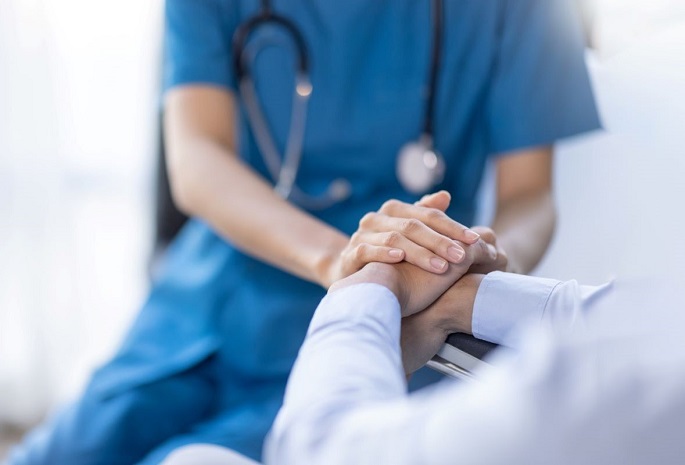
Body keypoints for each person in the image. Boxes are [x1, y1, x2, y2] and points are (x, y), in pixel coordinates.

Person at [7, 1, 599, 464]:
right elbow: (196, 161)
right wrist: (343, 262)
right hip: (215, 300)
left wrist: (483, 268)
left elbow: (529, 196)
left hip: (398, 323)